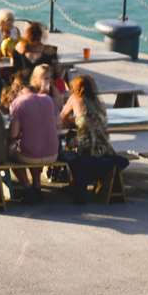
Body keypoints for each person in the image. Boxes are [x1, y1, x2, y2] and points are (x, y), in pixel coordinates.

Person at [57, 74, 128, 204]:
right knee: (79, 139)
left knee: (67, 144)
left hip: (86, 150)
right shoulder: (98, 102)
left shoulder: (74, 99)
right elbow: (91, 121)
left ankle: (74, 180)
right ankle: (77, 181)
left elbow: (60, 119)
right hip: (105, 149)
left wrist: (73, 121)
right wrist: (78, 121)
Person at [7, 64, 60, 200]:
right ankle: (37, 184)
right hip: (53, 154)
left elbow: (13, 134)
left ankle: (27, 187)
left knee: (11, 155)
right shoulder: (48, 99)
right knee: (34, 144)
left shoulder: (18, 103)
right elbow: (56, 122)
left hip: (32, 156)